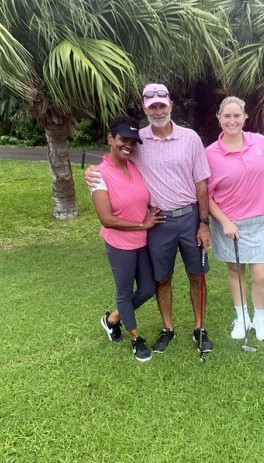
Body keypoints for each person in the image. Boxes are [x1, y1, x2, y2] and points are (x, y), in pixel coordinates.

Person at [86, 83, 213, 354]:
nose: (157, 110)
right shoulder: (137, 139)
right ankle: (167, 328)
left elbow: (201, 182)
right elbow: (116, 158)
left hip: (190, 216)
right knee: (162, 279)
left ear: (170, 106)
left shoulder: (190, 138)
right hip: (158, 222)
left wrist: (204, 223)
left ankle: (199, 329)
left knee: (196, 275)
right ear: (145, 108)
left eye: (162, 105)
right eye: (152, 106)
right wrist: (92, 171)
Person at [92, 116, 165, 362]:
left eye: (133, 142)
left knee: (147, 289)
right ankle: (135, 339)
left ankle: (112, 319)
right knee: (124, 292)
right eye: (123, 139)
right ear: (110, 138)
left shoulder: (133, 165)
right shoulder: (99, 175)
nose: (129, 146)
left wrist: (145, 221)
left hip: (141, 241)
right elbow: (107, 219)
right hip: (119, 244)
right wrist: (142, 224)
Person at [205, 96, 264, 341]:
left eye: (236, 116)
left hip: (259, 221)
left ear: (245, 118)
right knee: (235, 270)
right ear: (219, 119)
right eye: (227, 116)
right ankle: (242, 317)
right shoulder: (210, 153)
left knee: (261, 275)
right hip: (228, 223)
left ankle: (260, 319)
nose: (231, 120)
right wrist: (224, 221)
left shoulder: (260, 143)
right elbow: (206, 195)